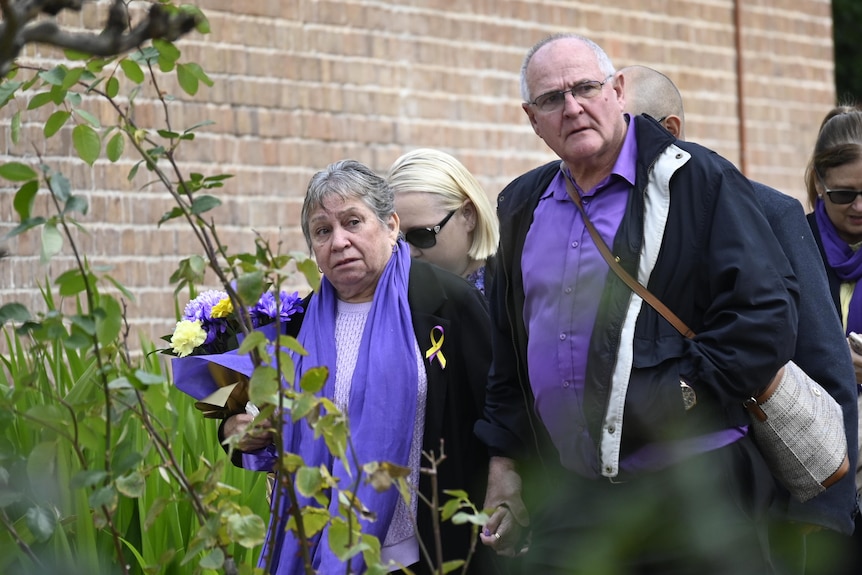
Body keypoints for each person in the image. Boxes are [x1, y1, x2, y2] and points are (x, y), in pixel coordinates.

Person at [474, 34, 800, 575]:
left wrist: (679, 396)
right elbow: (509, 353)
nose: (573, 107)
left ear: (618, 90)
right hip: (574, 496)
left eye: (585, 87)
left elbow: (767, 315)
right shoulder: (521, 206)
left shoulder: (696, 180)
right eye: (553, 99)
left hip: (694, 488)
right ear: (533, 119)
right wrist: (504, 467)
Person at [621, 64, 859, 574]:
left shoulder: (768, 211)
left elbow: (824, 364)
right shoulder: (589, 226)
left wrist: (821, 515)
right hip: (634, 507)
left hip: (754, 503)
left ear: (669, 131)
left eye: (623, 125)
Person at [220, 160, 496, 574]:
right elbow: (257, 418)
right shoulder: (297, 324)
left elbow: (497, 410)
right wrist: (234, 432)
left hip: (432, 549)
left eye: (353, 222)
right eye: (323, 230)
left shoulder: (446, 303)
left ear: (391, 225)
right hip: (322, 547)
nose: (340, 241)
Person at [804, 105, 862, 575]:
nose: (859, 206)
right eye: (845, 193)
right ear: (820, 183)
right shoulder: (788, 243)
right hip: (814, 467)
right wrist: (829, 361)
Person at [386, 148, 499, 296]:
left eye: (421, 236)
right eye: (397, 239)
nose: (408, 252)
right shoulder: (389, 294)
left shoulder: (519, 292)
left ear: (468, 215)